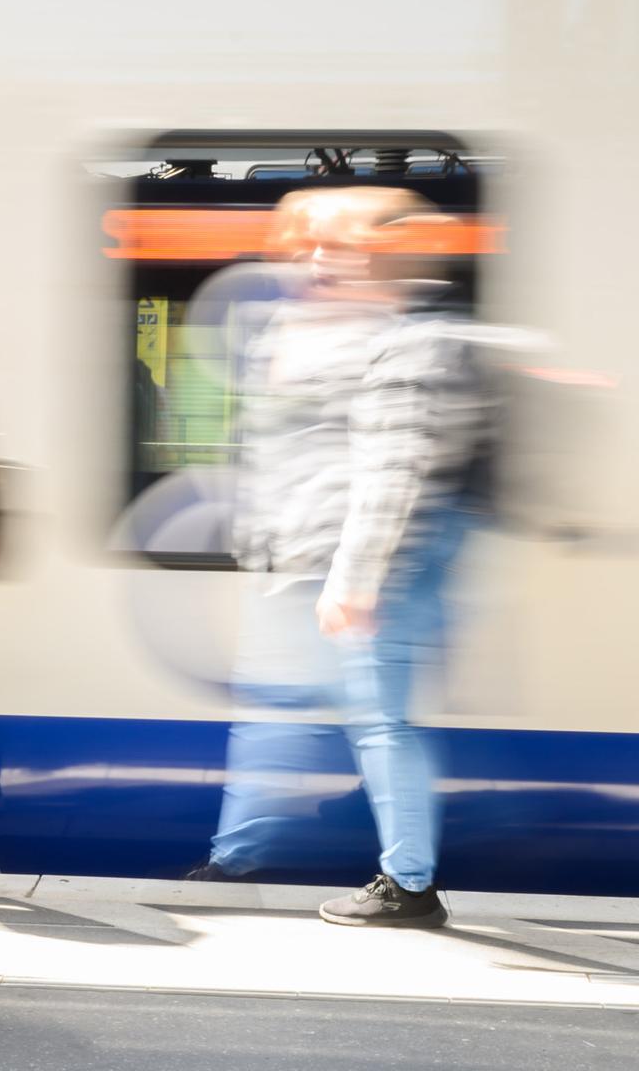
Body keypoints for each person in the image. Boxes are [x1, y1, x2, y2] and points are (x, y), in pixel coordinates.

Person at [202, 187, 493, 929]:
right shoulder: (330, 329)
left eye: (339, 246)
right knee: (283, 710)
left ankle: (408, 886)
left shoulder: (412, 342)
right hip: (311, 559)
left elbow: (392, 473)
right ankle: (235, 861)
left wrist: (354, 580)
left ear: (385, 253)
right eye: (314, 246)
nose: (318, 259)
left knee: (381, 723)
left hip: (375, 568)